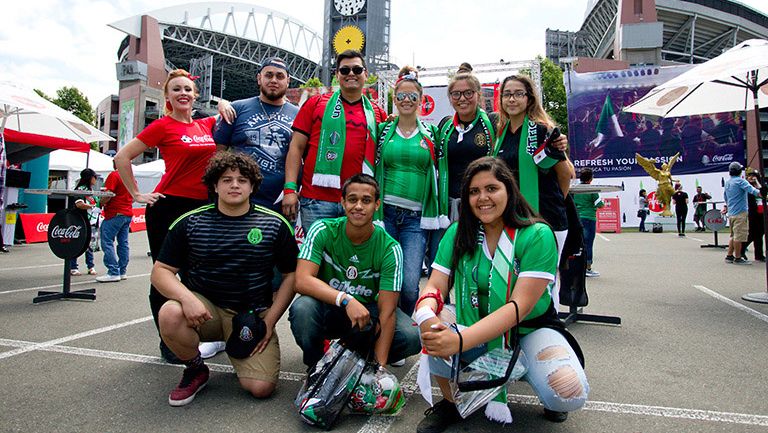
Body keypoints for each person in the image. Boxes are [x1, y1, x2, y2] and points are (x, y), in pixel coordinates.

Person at [415, 157, 588, 433]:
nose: (483, 198)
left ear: (509, 189)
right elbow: (435, 285)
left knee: (567, 391)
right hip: (473, 321)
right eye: (474, 191)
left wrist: (458, 341)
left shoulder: (537, 234)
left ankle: (528, 369)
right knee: (435, 328)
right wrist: (425, 314)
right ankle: (451, 402)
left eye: (492, 188)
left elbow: (518, 307)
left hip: (529, 329)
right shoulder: (458, 233)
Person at [152, 152, 298, 406]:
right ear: (214, 185)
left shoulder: (274, 223)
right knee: (170, 313)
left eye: (242, 180)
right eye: (227, 179)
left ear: (252, 186)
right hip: (204, 310)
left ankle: (240, 353)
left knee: (260, 388)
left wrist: (270, 321)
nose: (234, 185)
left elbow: (291, 275)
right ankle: (195, 367)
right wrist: (186, 298)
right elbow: (160, 271)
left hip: (250, 315)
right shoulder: (190, 222)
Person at [114, 69, 219, 363]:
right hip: (168, 206)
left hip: (202, 209)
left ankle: (198, 335)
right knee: (165, 275)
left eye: (188, 89)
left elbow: (228, 113)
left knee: (196, 274)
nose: (183, 93)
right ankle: (168, 341)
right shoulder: (162, 126)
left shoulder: (205, 125)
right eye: (176, 90)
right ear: (168, 97)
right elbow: (122, 157)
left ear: (195, 95)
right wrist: (136, 194)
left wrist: (223, 105)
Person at [288, 174, 421, 369]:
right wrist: (346, 299)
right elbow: (302, 281)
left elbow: (387, 312)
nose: (358, 206)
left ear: (377, 205)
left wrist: (379, 369)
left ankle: (361, 361)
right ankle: (318, 365)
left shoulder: (390, 248)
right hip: (331, 305)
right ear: (342, 203)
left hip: (369, 312)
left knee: (412, 337)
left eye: (366, 201)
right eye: (352, 200)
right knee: (303, 309)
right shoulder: (322, 230)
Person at [491, 74, 575, 304]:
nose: (512, 99)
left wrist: (554, 202)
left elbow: (566, 173)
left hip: (547, 218)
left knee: (545, 281)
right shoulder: (501, 134)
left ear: (529, 99)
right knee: (516, 278)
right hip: (513, 219)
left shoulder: (543, 131)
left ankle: (551, 328)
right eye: (507, 94)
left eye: (519, 94)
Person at [282, 50, 387, 232]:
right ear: (337, 75)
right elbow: (296, 147)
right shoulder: (315, 103)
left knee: (353, 259)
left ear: (366, 74)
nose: (351, 74)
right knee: (316, 259)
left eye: (357, 69)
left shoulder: (378, 113)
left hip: (357, 203)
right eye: (345, 70)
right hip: (316, 200)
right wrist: (290, 189)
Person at [374, 66, 448, 316]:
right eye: (401, 96)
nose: (406, 100)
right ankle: (384, 333)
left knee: (408, 285)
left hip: (415, 220)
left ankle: (406, 336)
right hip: (385, 216)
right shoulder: (383, 131)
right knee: (385, 280)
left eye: (412, 96)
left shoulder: (432, 134)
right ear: (394, 99)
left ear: (421, 100)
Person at [214, 57, 299, 213]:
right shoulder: (236, 109)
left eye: (280, 76)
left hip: (280, 201)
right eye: (269, 75)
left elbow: (302, 156)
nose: (274, 80)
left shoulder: (299, 115)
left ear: (288, 81)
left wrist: (291, 190)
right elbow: (218, 154)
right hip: (239, 198)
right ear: (259, 78)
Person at [95, 164, 133, 282]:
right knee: (123, 243)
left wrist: (100, 204)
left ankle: (113, 271)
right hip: (127, 212)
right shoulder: (130, 176)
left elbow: (108, 194)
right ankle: (122, 271)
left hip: (115, 212)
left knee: (107, 241)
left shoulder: (115, 175)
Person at [723, 162, 762, 264]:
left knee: (733, 235)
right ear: (739, 171)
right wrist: (758, 185)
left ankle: (729, 255)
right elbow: (755, 191)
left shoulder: (728, 182)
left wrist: (727, 207)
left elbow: (726, 197)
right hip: (741, 212)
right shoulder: (741, 181)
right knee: (739, 236)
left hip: (731, 212)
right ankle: (738, 257)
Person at [573, 169, 604, 277]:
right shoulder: (592, 189)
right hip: (589, 218)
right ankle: (588, 267)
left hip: (577, 218)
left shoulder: (575, 189)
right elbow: (600, 204)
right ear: (590, 178)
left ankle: (577, 266)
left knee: (577, 243)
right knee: (588, 244)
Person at [70, 168, 99, 276]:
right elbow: (79, 204)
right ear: (89, 178)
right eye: (94, 177)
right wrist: (91, 207)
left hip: (92, 221)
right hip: (81, 221)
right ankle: (73, 267)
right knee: (78, 244)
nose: (95, 179)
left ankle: (90, 266)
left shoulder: (91, 190)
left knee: (90, 244)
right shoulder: (81, 189)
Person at [744, 169, 765, 261]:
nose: (752, 177)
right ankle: (741, 249)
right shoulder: (746, 187)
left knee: (760, 234)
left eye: (754, 176)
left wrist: (757, 182)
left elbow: (764, 193)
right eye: (750, 176)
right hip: (751, 213)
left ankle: (759, 255)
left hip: (762, 212)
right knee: (752, 233)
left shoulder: (761, 186)